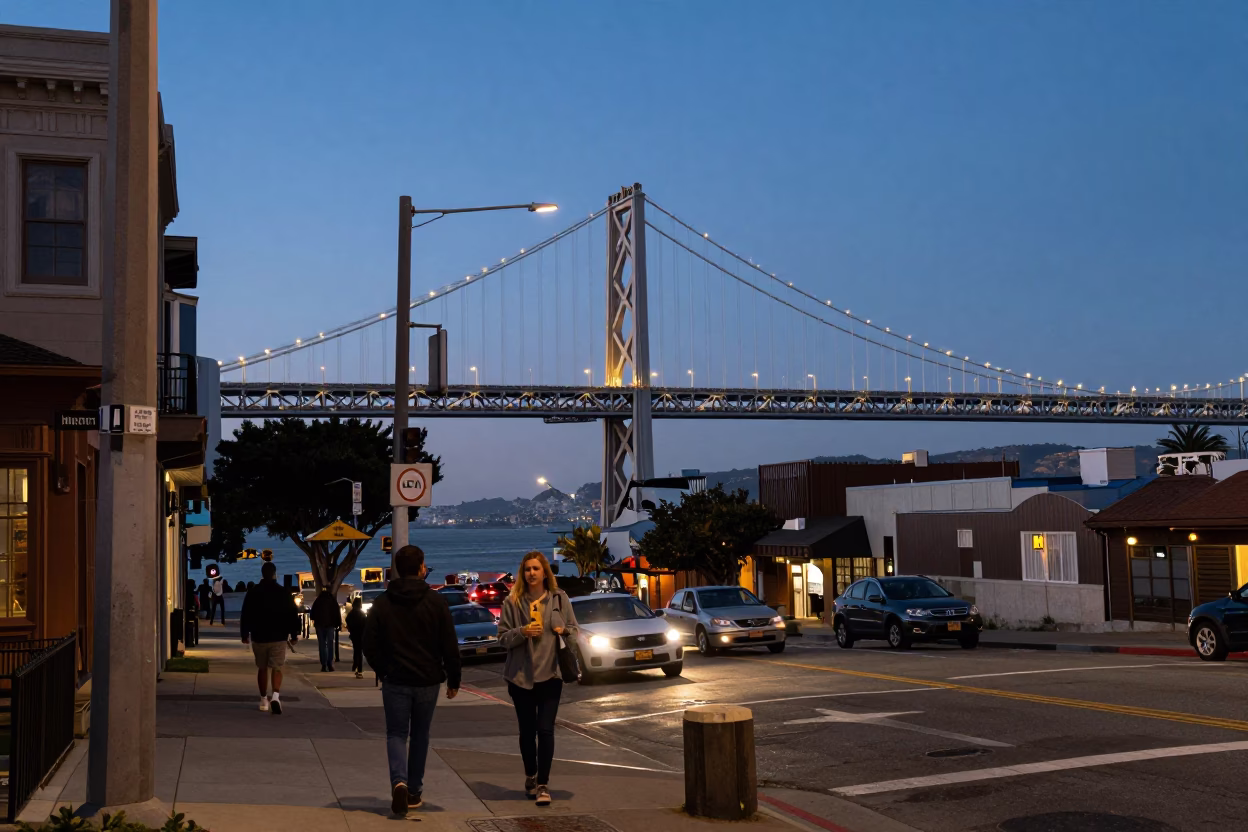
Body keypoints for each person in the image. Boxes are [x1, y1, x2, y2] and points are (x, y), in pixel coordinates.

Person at [363, 545, 460, 817]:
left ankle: (399, 782)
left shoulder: (382, 602)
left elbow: (368, 644)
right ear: (421, 568)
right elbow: (449, 644)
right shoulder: (436, 602)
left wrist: (384, 670)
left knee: (395, 733)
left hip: (395, 680)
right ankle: (415, 791)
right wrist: (454, 678)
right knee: (420, 735)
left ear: (396, 569)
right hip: (428, 680)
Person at [498, 551, 578, 807]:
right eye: (527, 569)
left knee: (545, 730)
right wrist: (522, 632)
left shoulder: (558, 598)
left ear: (545, 572)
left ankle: (543, 783)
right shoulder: (512, 601)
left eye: (536, 568)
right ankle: (530, 775)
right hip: (520, 677)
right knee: (527, 731)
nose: (532, 573)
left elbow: (575, 631)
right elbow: (502, 638)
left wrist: (563, 630)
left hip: (551, 674)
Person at [240, 561, 301, 714]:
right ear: (274, 574)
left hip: (259, 635)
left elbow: (246, 613)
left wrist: (244, 634)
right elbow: (292, 614)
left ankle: (263, 699)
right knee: (277, 667)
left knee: (262, 668)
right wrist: (294, 634)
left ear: (262, 573)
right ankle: (275, 695)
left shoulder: (253, 592)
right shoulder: (283, 592)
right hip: (279, 635)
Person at [310, 587, 343, 672]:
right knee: (330, 644)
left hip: (320, 625)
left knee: (322, 645)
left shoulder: (318, 601)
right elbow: (337, 613)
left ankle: (323, 664)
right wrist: (338, 624)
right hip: (330, 625)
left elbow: (312, 614)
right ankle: (330, 663)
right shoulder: (332, 601)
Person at [345, 596, 367, 679]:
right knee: (360, 652)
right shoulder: (362, 614)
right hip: (361, 635)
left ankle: (355, 665)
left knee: (356, 650)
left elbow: (347, 620)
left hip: (354, 634)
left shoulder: (351, 613)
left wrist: (350, 629)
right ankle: (359, 669)